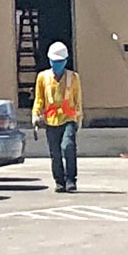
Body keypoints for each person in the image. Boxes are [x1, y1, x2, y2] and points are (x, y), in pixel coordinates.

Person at [31, 40, 82, 193]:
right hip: (51, 121)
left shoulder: (73, 78)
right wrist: (35, 115)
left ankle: (71, 180)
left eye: (59, 62)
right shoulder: (43, 77)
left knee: (68, 147)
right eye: (54, 61)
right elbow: (39, 99)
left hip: (68, 119)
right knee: (55, 153)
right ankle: (60, 182)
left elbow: (77, 100)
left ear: (65, 61)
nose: (56, 64)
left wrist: (78, 119)